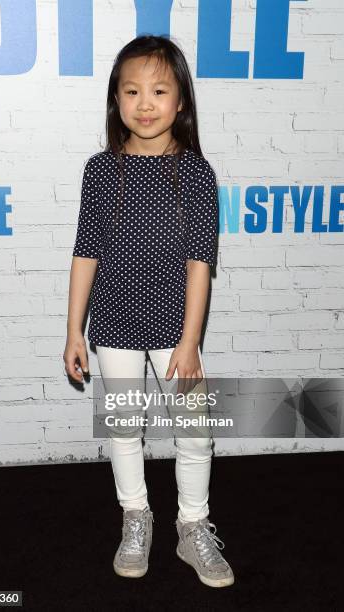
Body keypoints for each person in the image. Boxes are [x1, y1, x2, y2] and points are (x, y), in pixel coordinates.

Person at [64, 34, 234, 589]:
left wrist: (190, 342)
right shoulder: (100, 171)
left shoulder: (196, 173)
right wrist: (74, 331)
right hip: (112, 324)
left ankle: (193, 525)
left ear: (180, 99)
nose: (144, 103)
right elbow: (86, 251)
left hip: (176, 331)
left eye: (159, 90)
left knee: (195, 430)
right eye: (131, 90)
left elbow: (199, 264)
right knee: (124, 429)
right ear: (116, 99)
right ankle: (135, 516)